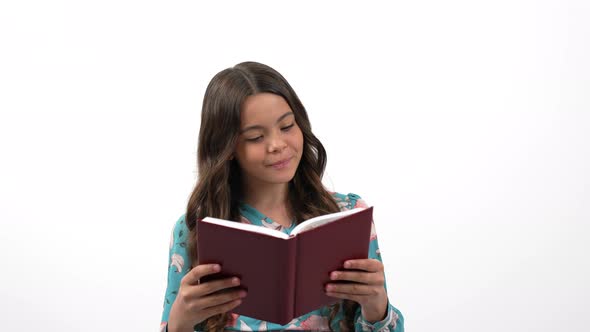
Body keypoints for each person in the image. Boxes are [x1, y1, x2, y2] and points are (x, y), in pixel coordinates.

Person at [160, 61, 404, 331]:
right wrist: (181, 318)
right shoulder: (195, 230)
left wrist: (376, 305)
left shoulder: (347, 214)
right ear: (226, 147)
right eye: (255, 137)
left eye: (287, 126)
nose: (277, 145)